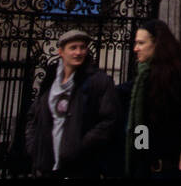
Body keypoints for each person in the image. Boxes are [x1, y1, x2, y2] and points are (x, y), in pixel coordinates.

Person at [121, 19, 181, 178]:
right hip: (146, 169)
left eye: (141, 43)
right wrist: (141, 154)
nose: (135, 48)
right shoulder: (142, 80)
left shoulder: (174, 80)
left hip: (167, 169)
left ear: (157, 44)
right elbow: (142, 124)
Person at [25, 28, 119, 177]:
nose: (78, 52)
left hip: (80, 165)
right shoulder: (50, 79)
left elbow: (109, 120)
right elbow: (33, 115)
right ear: (61, 52)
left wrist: (79, 145)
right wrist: (34, 146)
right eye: (73, 48)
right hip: (47, 163)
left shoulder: (99, 81)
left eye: (82, 47)